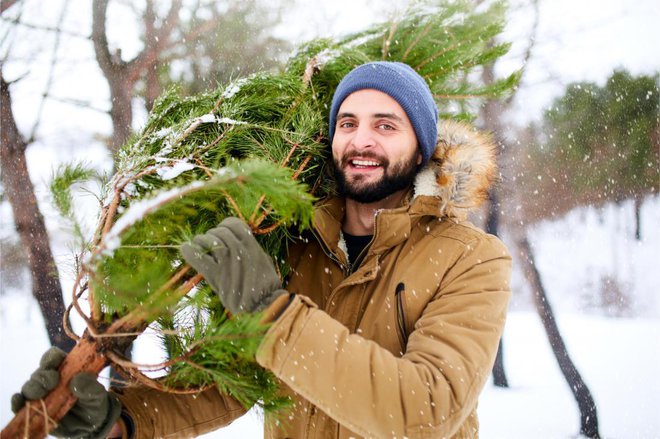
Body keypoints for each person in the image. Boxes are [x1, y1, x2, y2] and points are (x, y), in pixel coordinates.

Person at [12, 61, 511, 438]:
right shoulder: (296, 245)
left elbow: (426, 409)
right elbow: (236, 381)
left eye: (386, 125)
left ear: (421, 148)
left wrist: (272, 315)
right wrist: (124, 420)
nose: (362, 141)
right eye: (348, 123)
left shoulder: (472, 258)